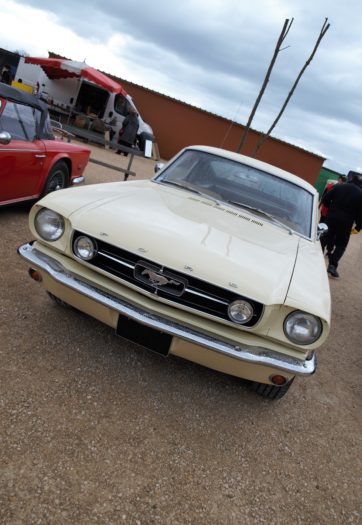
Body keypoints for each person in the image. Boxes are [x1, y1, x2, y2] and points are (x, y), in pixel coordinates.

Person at [320, 172, 362, 278]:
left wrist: (330, 210)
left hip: (331, 218)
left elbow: (325, 199)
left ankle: (315, 257)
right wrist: (358, 226)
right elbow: (361, 213)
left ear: (351, 180)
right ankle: (332, 266)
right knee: (341, 245)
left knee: (324, 238)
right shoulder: (360, 194)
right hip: (346, 223)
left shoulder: (339, 187)